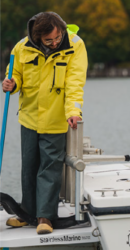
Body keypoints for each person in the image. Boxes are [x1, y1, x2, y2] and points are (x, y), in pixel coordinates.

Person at [2, 12, 88, 234]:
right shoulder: (21, 47)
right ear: (37, 35)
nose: (55, 42)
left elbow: (75, 83)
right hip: (29, 116)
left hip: (56, 118)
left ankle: (45, 218)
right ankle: (27, 214)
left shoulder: (75, 45)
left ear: (61, 29)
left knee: (49, 168)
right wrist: (12, 83)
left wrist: (73, 111)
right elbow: (16, 74)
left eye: (57, 37)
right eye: (49, 40)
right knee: (28, 166)